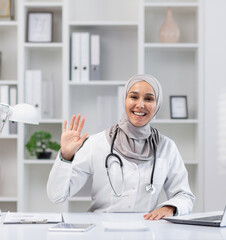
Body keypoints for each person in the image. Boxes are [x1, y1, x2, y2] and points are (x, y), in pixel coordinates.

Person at [47, 74, 195, 220]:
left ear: (158, 105)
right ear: (124, 100)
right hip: (101, 231)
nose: (140, 105)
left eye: (149, 99)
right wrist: (66, 156)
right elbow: (57, 196)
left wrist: (170, 207)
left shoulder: (166, 147)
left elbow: (185, 195)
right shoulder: (96, 143)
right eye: (134, 97)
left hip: (147, 231)